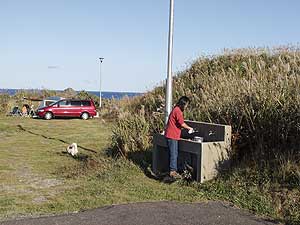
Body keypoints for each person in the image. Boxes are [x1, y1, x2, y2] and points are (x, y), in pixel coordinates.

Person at [164, 96, 194, 179]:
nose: (187, 106)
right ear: (183, 104)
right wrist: (190, 128)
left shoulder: (175, 109)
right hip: (172, 135)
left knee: (172, 154)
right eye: (186, 105)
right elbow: (181, 123)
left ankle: (170, 170)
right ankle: (173, 172)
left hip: (170, 135)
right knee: (174, 154)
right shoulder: (178, 111)